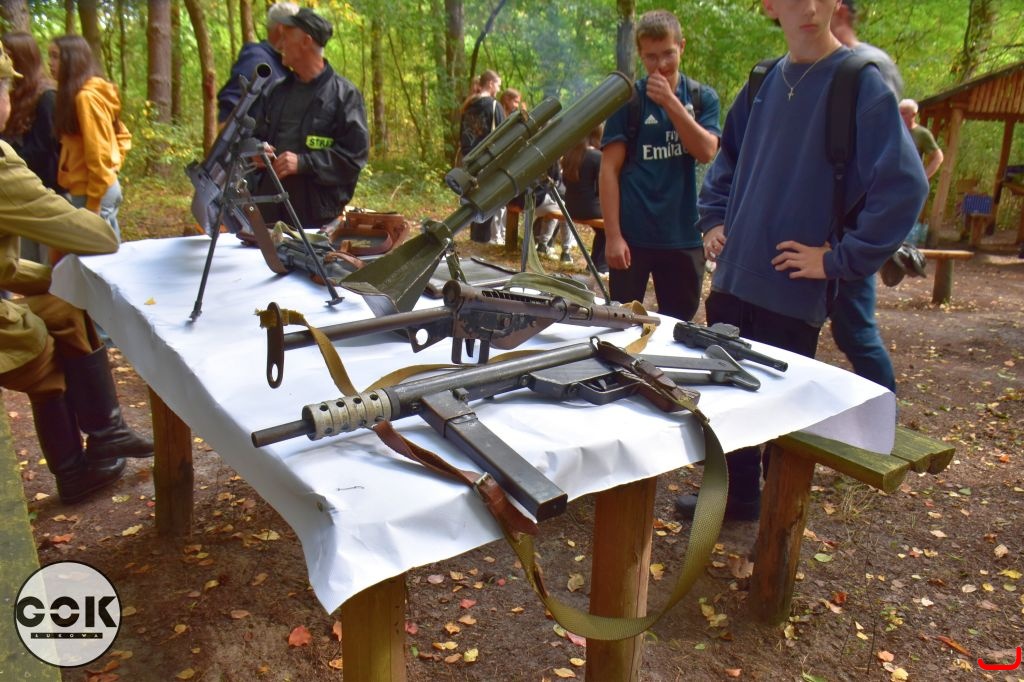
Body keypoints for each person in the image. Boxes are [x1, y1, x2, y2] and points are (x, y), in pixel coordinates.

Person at [679, 0, 928, 521]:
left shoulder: (859, 82)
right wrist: (714, 218)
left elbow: (905, 186)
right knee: (726, 400)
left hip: (792, 289)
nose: (809, 8)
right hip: (732, 279)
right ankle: (737, 498)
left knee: (780, 416)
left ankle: (777, 525)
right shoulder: (764, 78)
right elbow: (728, 157)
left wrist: (840, 259)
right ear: (770, 5)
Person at [0, 48, 153, 505]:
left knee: (64, 305)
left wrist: (55, 279)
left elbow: (6, 268)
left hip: (88, 191)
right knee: (39, 351)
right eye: (7, 90)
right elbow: (99, 238)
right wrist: (86, 213)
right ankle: (73, 472)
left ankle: (107, 434)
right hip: (85, 201)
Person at [599, 9, 721, 321]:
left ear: (682, 46)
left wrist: (670, 102)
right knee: (622, 322)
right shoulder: (628, 100)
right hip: (633, 236)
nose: (661, 65)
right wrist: (613, 236)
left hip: (684, 235)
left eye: (668, 53)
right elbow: (609, 169)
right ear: (640, 55)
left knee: (679, 325)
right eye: (651, 57)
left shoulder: (702, 98)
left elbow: (706, 151)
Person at [826, 0, 907, 393]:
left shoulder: (868, 66)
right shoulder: (819, 65)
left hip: (849, 227)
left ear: (839, 9)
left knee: (855, 331)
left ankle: (884, 414)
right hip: (818, 224)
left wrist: (864, 239)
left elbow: (888, 161)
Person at [252, 7, 369, 230]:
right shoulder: (274, 92)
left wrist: (304, 163)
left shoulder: (345, 95)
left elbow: (354, 157)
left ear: (306, 41)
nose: (280, 44)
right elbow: (254, 136)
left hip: (318, 222)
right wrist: (256, 152)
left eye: (287, 37)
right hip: (269, 217)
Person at [49, 34, 131, 244]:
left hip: (94, 195)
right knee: (102, 257)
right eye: (50, 56)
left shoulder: (86, 98)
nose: (50, 63)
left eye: (56, 56)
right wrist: (111, 170)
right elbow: (121, 136)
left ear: (72, 60)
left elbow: (99, 153)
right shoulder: (80, 95)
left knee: (100, 260)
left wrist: (95, 201)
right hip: (92, 191)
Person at [1, 31, 61, 265]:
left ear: (23, 58)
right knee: (25, 262)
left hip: (44, 192)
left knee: (49, 264)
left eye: (9, 55)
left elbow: (42, 148)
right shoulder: (12, 95)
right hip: (18, 194)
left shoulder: (47, 96)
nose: (5, 61)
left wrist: (9, 166)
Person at [217, 2, 299, 123]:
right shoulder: (257, 59)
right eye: (297, 29)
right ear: (282, 29)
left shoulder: (282, 66)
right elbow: (230, 107)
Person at [458, 69, 505, 243]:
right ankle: (483, 240)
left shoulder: (469, 105)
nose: (498, 89)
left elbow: (462, 134)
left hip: (469, 159)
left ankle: (475, 238)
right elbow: (503, 134)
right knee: (486, 198)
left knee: (473, 197)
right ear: (490, 84)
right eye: (498, 85)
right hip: (487, 160)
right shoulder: (493, 105)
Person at [561, 124, 606, 272]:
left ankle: (593, 265)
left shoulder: (570, 154)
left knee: (602, 231)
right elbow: (602, 189)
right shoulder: (597, 157)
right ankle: (600, 266)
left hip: (570, 207)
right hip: (589, 209)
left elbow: (564, 182)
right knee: (612, 225)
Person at [899, 99, 944, 180]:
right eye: (898, 113)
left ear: (913, 114)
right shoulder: (893, 131)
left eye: (903, 114)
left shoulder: (922, 134)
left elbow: (938, 157)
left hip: (909, 181)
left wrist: (923, 177)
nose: (899, 117)